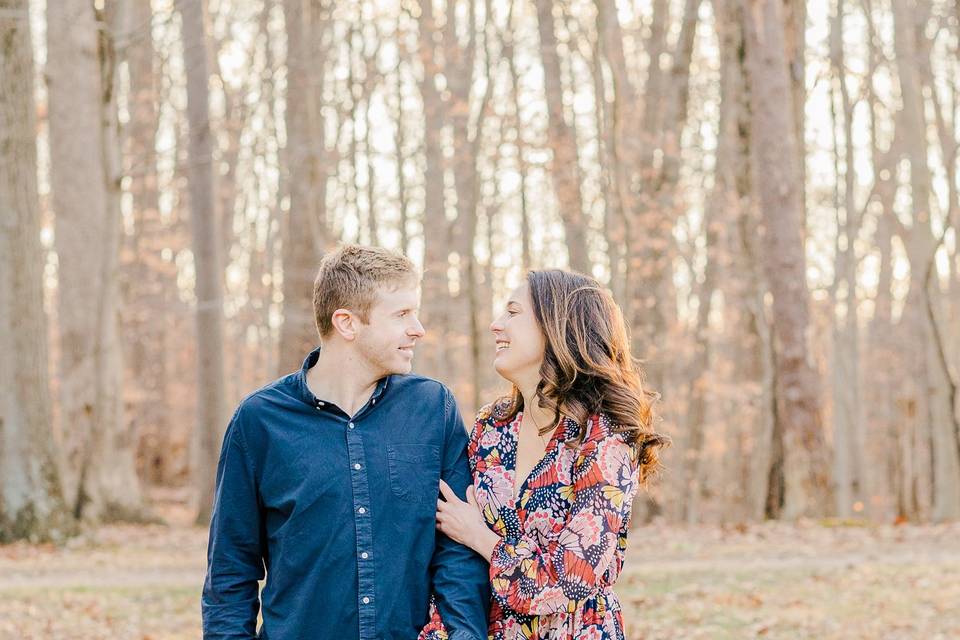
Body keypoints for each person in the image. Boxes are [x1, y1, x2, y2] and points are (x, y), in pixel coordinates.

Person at [201, 244, 491, 639]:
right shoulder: (259, 422)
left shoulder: (432, 409)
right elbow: (230, 570)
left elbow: (456, 551)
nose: (418, 329)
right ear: (347, 323)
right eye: (402, 314)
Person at [422, 269, 668, 640]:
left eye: (513, 313)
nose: (495, 325)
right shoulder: (491, 427)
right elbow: (454, 551)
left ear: (557, 327)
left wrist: (481, 537)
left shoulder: (604, 439)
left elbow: (567, 581)